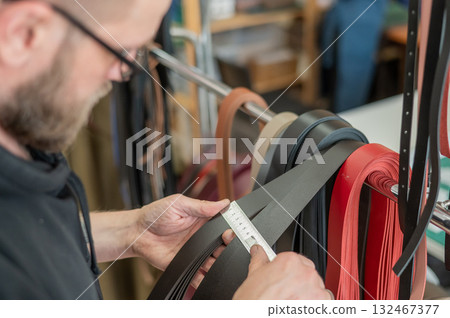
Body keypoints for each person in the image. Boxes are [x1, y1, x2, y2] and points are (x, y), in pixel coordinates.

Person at [0, 0, 333, 300]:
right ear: (23, 34)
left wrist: (132, 231)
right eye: (121, 51)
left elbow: (33, 231)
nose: (122, 74)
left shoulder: (22, 144)